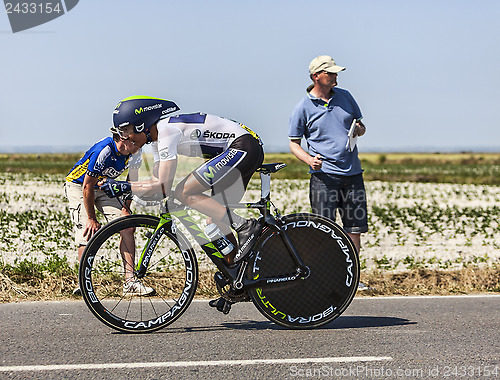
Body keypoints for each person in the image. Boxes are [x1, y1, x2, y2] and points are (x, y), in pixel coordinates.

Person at [101, 96, 265, 268]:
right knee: (216, 220)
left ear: (141, 124)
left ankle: (245, 226)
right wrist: (130, 190)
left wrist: (124, 186)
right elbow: (160, 188)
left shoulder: (166, 131)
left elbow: (162, 184)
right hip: (243, 148)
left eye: (126, 130)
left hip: (243, 146)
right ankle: (237, 281)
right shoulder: (157, 141)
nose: (124, 137)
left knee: (184, 192)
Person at [288, 55, 368, 254]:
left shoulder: (346, 96)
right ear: (316, 76)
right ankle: (326, 279)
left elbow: (362, 127)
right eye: (330, 73)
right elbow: (293, 144)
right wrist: (309, 160)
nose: (335, 76)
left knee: (354, 230)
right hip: (324, 178)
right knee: (324, 230)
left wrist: (359, 129)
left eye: (335, 72)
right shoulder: (302, 108)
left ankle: (353, 278)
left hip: (353, 175)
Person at [65, 132, 154, 296]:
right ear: (123, 139)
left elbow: (131, 182)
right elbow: (87, 186)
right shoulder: (104, 150)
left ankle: (130, 282)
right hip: (80, 186)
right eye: (135, 141)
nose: (139, 145)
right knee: (88, 230)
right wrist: (92, 218)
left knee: (127, 226)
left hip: (103, 185)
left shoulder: (136, 152)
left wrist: (126, 209)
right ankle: (83, 283)